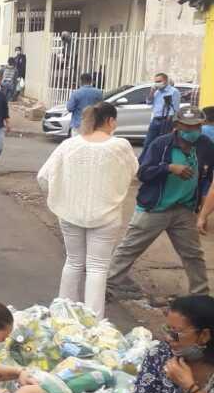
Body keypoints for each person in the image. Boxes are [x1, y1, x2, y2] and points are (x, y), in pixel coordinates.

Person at [37, 102, 138, 319]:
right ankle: (94, 321)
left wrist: (62, 197)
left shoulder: (69, 145)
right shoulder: (120, 146)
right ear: (110, 121)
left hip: (70, 212)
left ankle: (62, 315)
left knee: (73, 262)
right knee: (97, 268)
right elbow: (133, 171)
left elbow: (43, 177)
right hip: (106, 215)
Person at [110, 107, 213, 299]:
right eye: (188, 126)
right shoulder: (161, 144)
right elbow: (142, 173)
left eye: (198, 126)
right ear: (177, 126)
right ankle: (110, 282)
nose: (194, 130)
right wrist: (169, 168)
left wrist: (203, 212)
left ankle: (200, 295)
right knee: (130, 248)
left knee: (193, 255)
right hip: (155, 208)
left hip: (184, 209)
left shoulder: (205, 144)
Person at [145, 72, 185, 148]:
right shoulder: (156, 92)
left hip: (166, 120)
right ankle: (144, 159)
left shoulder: (174, 91)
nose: (157, 84)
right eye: (156, 82)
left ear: (166, 81)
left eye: (159, 81)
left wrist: (170, 123)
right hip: (155, 120)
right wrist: (152, 92)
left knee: (163, 143)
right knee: (148, 142)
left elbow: (175, 109)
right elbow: (148, 102)